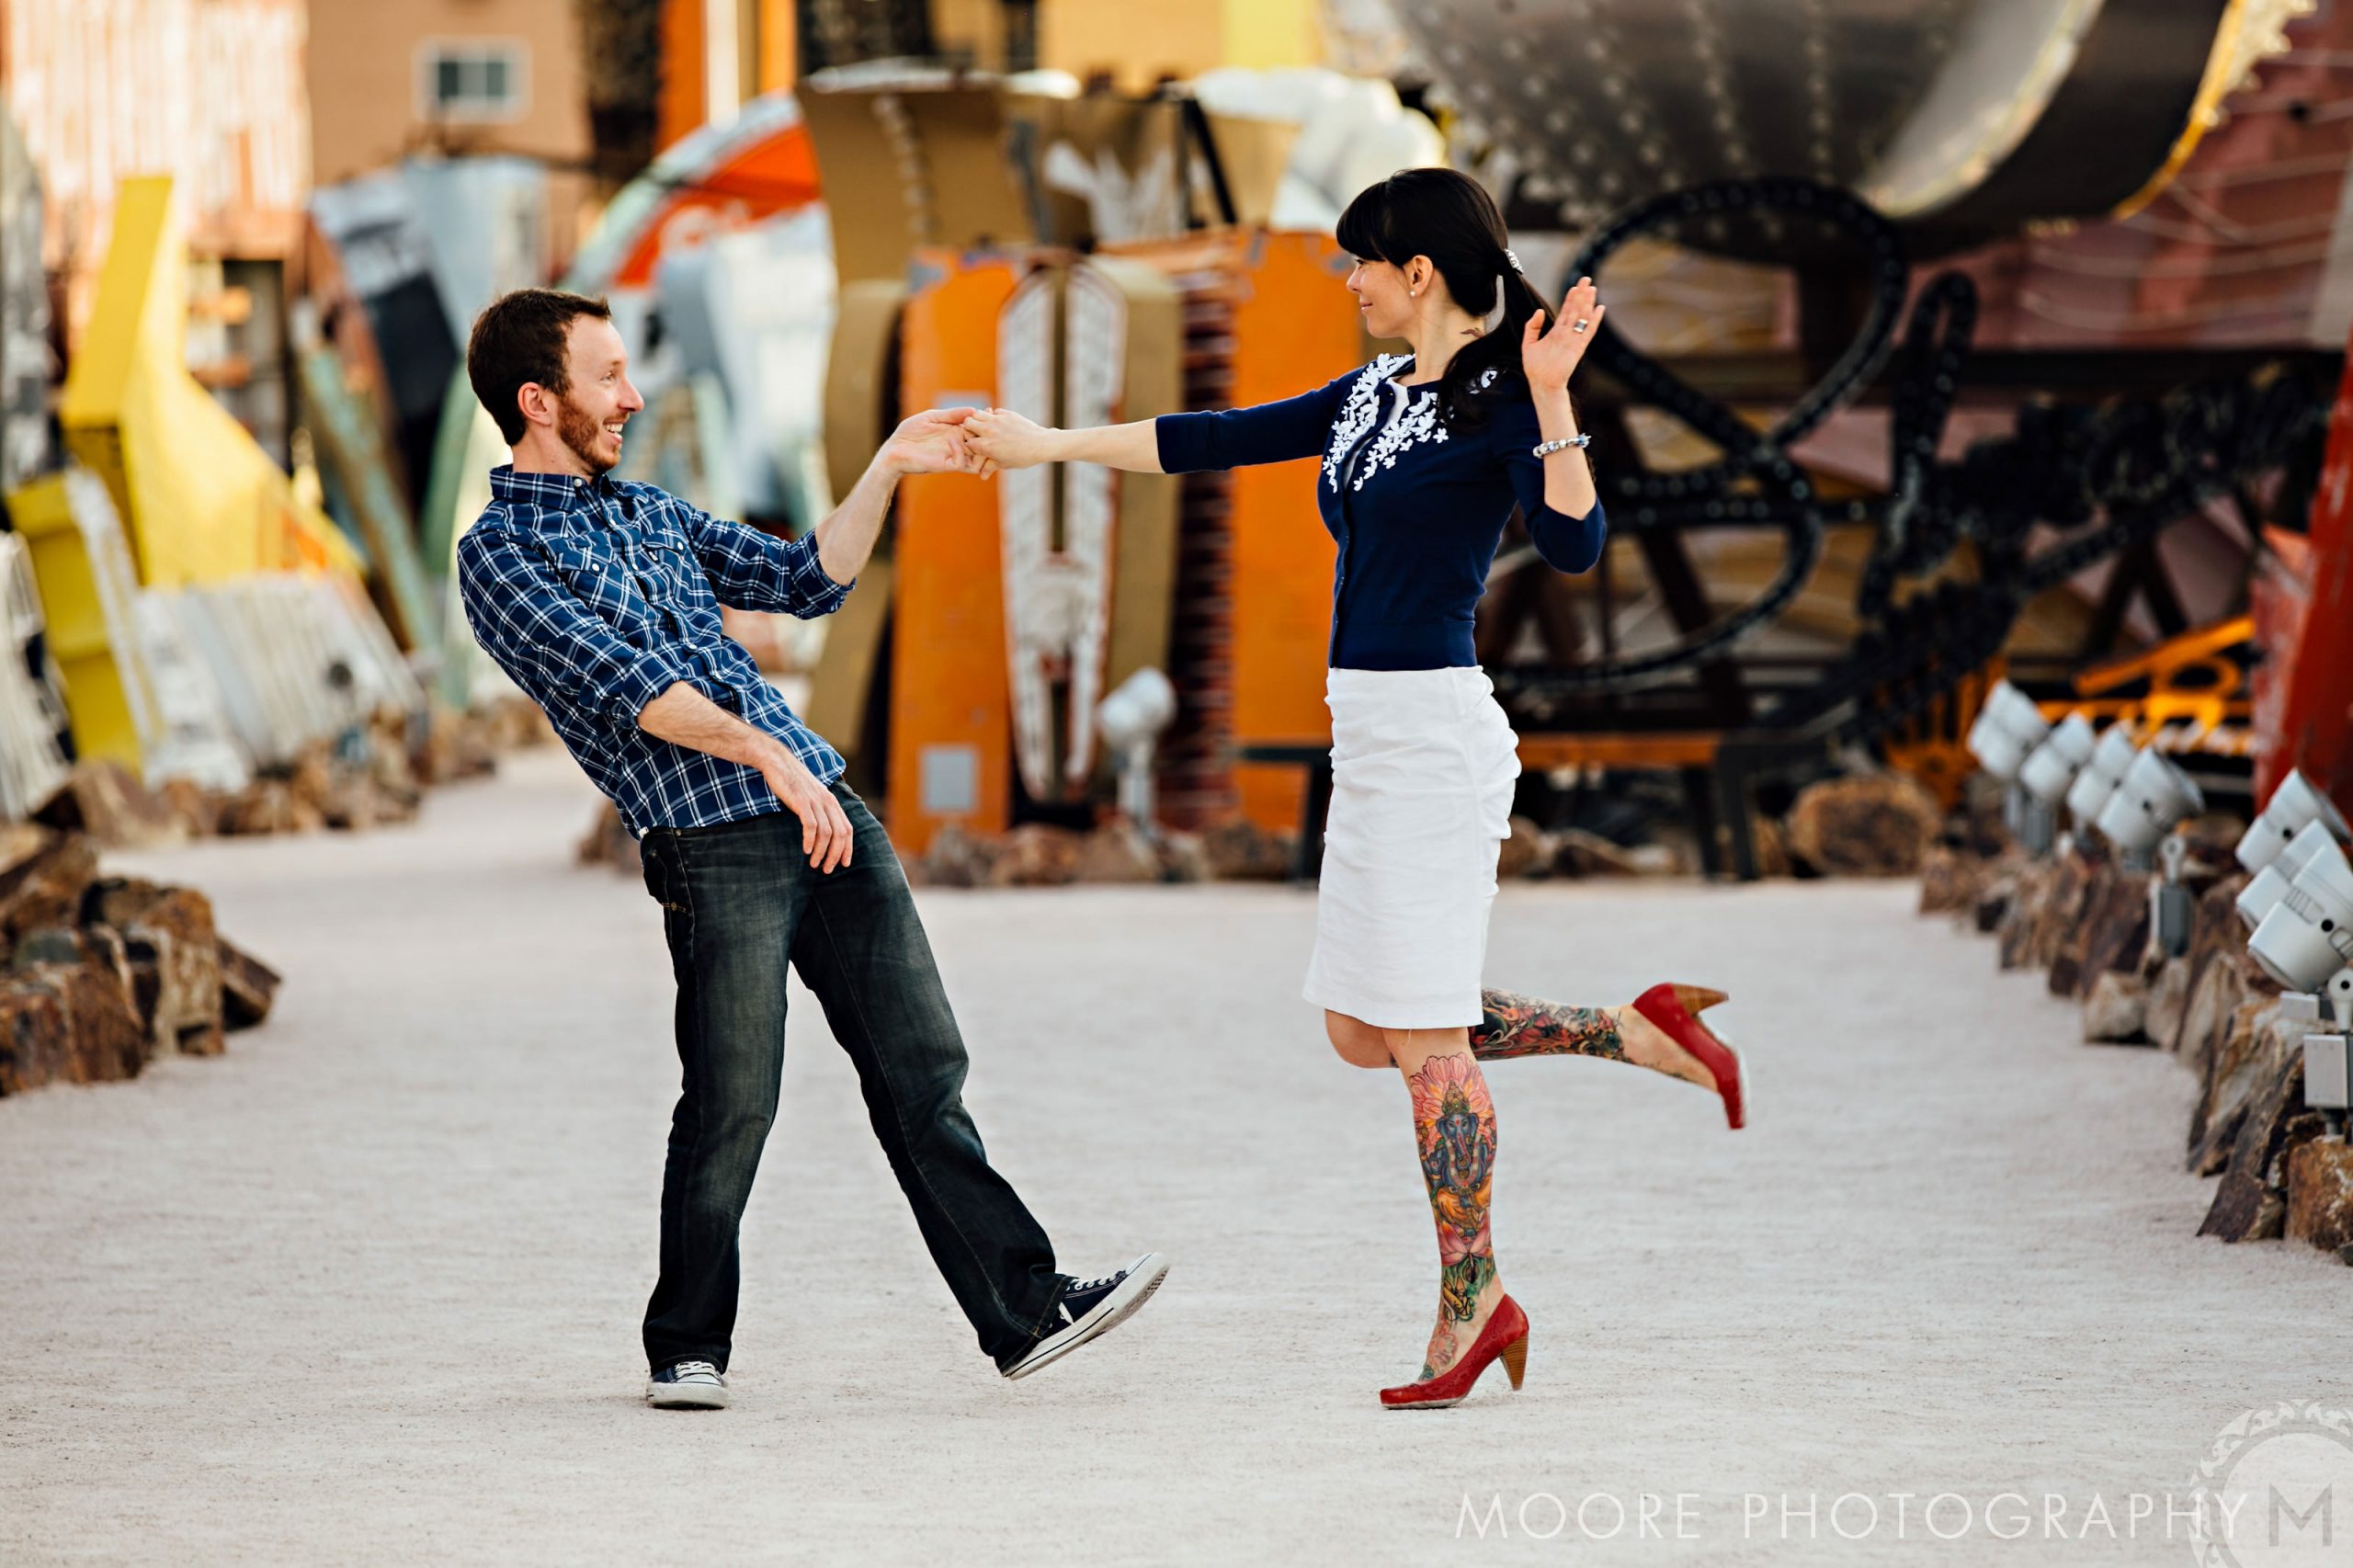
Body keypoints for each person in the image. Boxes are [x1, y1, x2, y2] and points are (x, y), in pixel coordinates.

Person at [966, 169, 1747, 1411]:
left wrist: (1553, 401)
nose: (1350, 281)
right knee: (1360, 1030)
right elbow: (1212, 438)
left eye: (1362, 261)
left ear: (1417, 271)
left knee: (1424, 1039)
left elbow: (1573, 543)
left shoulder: (1508, 393)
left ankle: (1474, 1301)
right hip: (1372, 741)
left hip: (1435, 742)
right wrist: (1048, 446)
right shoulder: (1373, 392)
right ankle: (1631, 1027)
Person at [454, 288, 1166, 1411]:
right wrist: (767, 756)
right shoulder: (500, 556)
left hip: (824, 810)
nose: (630, 396)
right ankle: (686, 1343)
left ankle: (1024, 1310)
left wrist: (888, 465)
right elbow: (625, 686)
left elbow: (805, 579)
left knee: (923, 1068)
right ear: (538, 401)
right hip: (710, 838)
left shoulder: (649, 512)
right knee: (733, 1098)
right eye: (607, 377)